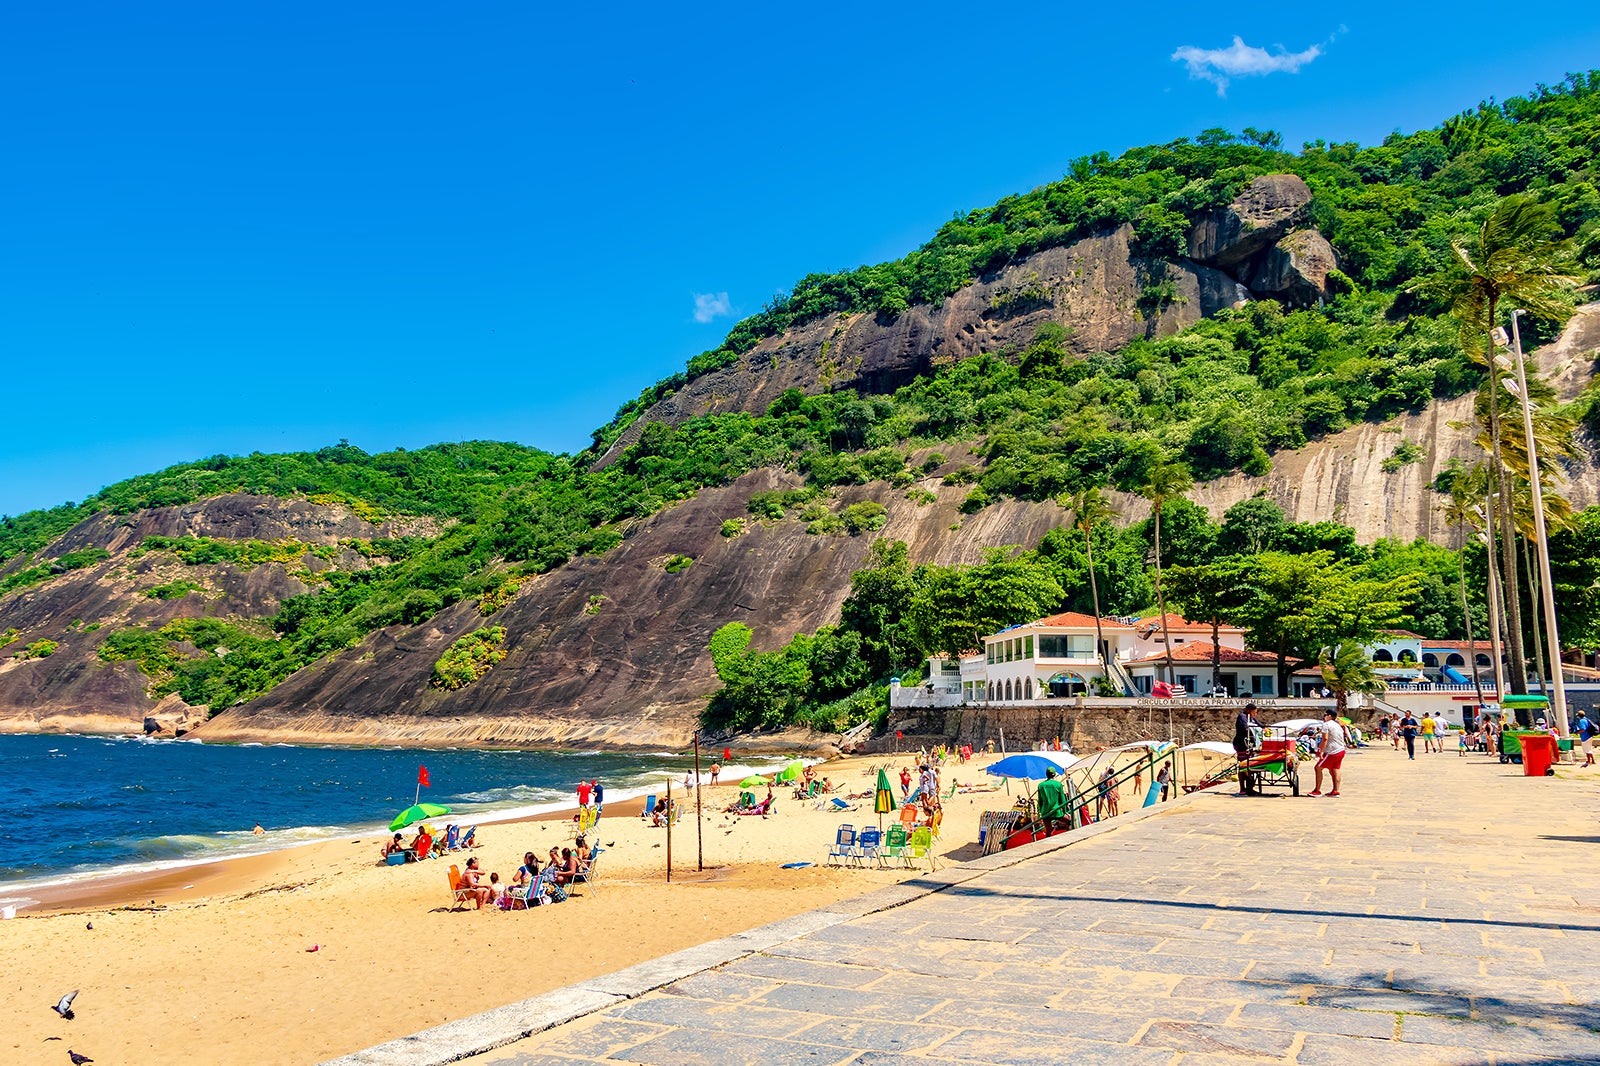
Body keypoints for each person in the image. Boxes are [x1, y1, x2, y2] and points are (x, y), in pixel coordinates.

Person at [1309, 708, 1347, 797]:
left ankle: (1317, 790)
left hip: (1332, 751)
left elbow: (1325, 739)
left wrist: (1321, 751)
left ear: (1329, 716)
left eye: (1325, 715)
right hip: (1341, 750)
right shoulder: (1338, 725)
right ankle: (1336, 791)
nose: (1324, 717)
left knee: (1318, 768)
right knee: (1335, 769)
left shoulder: (1326, 725)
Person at [1233, 703, 1259, 795]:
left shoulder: (1251, 718)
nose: (1255, 714)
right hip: (1241, 744)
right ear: (1248, 711)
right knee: (1243, 766)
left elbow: (1259, 724)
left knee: (1250, 766)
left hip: (1250, 744)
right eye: (1254, 712)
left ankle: (1250, 787)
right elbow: (1245, 728)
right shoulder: (1242, 716)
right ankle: (1242, 788)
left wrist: (1264, 728)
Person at [1036, 767, 1068, 832]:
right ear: (1054, 774)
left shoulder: (1041, 785)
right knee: (1070, 821)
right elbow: (1062, 800)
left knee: (1048, 830)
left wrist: (1040, 812)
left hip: (1045, 812)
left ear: (1046, 774)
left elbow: (1040, 801)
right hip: (1056, 811)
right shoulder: (1058, 784)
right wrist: (1065, 811)